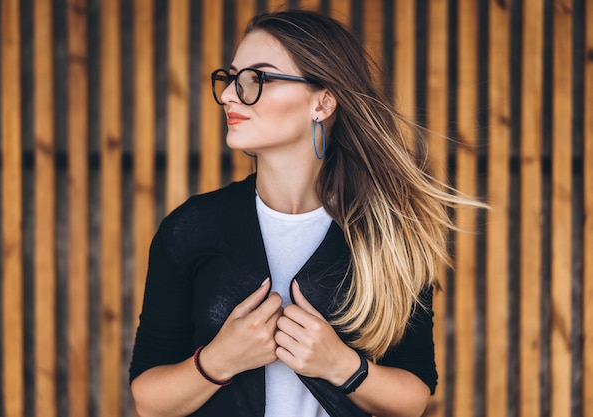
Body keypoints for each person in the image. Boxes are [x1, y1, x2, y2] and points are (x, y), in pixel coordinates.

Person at [130, 9, 474, 417]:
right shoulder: (190, 229)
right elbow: (148, 400)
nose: (228, 95)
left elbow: (414, 396)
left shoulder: (387, 232)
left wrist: (341, 365)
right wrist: (218, 361)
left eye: (257, 79)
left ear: (323, 102)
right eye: (232, 78)